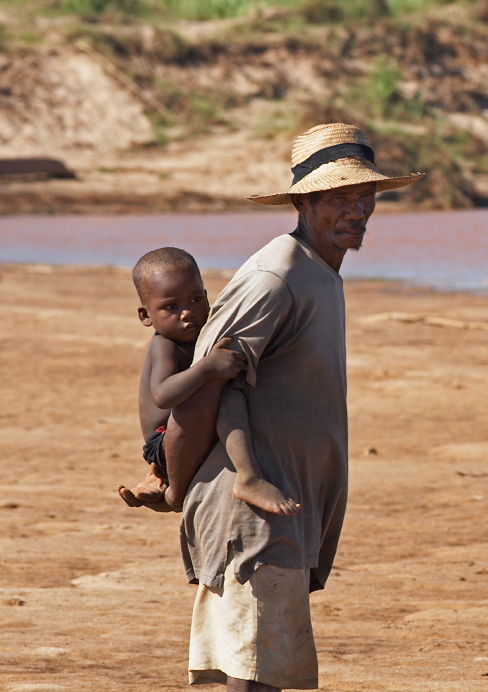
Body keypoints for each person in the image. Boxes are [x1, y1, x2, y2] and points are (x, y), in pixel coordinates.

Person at [160, 123, 424, 691]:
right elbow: (204, 388)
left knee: (250, 671)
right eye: (338, 198)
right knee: (252, 676)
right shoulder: (275, 276)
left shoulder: (319, 272)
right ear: (304, 202)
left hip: (284, 511)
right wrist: (176, 486)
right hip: (253, 513)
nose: (356, 210)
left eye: (364, 195)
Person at [116, 247, 300, 516]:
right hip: (163, 444)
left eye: (195, 300)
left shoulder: (205, 331)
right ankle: (177, 494)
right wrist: (208, 367)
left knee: (231, 394)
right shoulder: (165, 345)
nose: (187, 312)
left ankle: (157, 482)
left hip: (188, 435)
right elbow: (163, 395)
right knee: (222, 395)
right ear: (146, 316)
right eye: (171, 306)